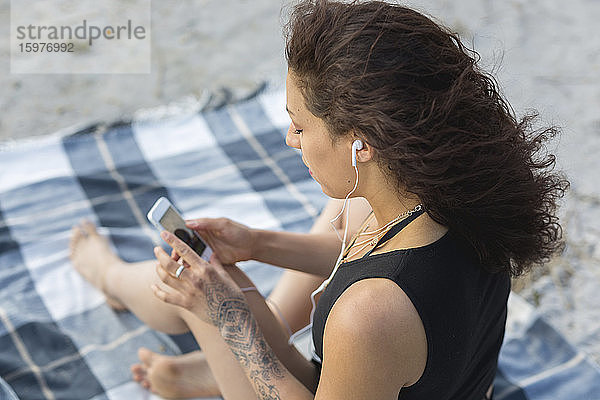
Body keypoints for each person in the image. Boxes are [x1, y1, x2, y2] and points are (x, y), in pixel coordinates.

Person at [69, 1, 569, 399]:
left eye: (301, 125)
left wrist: (226, 320)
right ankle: (134, 290)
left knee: (200, 297)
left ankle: (108, 275)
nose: (290, 139)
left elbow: (381, 289)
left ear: (362, 143)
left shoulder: (368, 314)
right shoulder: (462, 190)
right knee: (220, 276)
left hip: (360, 368)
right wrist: (256, 243)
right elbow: (379, 260)